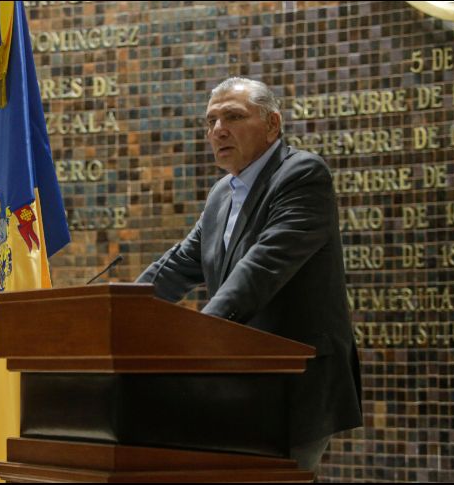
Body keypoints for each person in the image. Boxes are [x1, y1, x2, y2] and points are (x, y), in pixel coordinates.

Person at [136, 77, 362, 471]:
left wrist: (199, 336)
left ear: (272, 124)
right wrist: (116, 308)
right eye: (210, 121)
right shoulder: (223, 192)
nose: (217, 130)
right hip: (236, 382)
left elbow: (261, 269)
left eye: (233, 117)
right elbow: (177, 264)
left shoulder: (301, 175)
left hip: (294, 383)